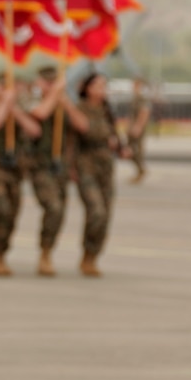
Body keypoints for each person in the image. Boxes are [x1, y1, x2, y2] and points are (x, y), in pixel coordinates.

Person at [58, 72, 129, 277]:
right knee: (96, 210)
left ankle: (92, 256)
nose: (102, 89)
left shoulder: (106, 110)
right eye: (98, 85)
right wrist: (66, 103)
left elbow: (112, 134)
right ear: (87, 88)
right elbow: (83, 129)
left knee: (106, 214)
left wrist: (121, 148)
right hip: (85, 166)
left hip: (105, 167)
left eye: (104, 85)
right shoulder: (80, 108)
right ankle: (86, 254)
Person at [0, 72, 40, 276]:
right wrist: (5, 105)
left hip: (14, 171)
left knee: (12, 214)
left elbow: (34, 130)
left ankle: (1, 253)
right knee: (1, 208)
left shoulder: (15, 110)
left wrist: (14, 109)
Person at [25, 66, 71, 276]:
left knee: (60, 211)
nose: (52, 87)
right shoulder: (30, 100)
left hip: (61, 167)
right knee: (53, 206)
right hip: (39, 165)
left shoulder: (64, 104)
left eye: (55, 82)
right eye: (48, 82)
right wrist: (55, 94)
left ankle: (48, 251)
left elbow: (82, 128)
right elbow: (40, 114)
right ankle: (44, 253)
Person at [127, 77, 153, 183]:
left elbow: (144, 112)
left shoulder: (142, 98)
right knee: (130, 150)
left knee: (135, 150)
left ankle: (141, 170)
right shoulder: (136, 97)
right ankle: (140, 171)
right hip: (133, 127)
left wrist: (138, 127)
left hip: (137, 129)